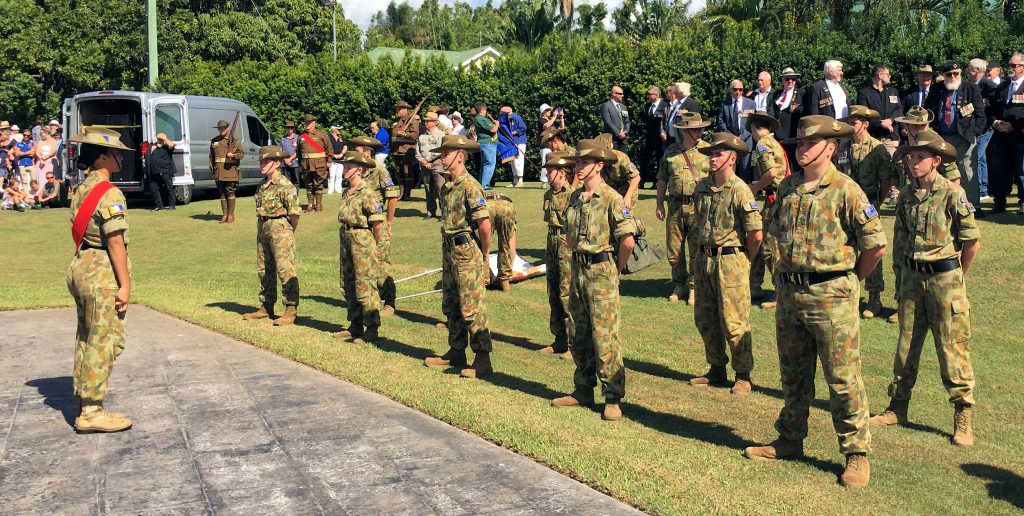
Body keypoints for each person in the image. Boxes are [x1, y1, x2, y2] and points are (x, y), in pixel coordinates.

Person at [743, 115, 887, 489]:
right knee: (793, 373)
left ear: (830, 147)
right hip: (790, 295)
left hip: (832, 296)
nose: (802, 149)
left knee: (842, 377)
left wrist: (852, 280)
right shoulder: (789, 186)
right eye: (801, 143)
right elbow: (774, 231)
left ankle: (856, 453)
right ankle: (790, 439)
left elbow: (874, 244)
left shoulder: (846, 189)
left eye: (810, 143)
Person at [869, 130, 980, 447]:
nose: (911, 162)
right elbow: (901, 241)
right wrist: (901, 279)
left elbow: (971, 241)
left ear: (936, 161)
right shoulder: (905, 195)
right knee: (905, 348)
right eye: (909, 156)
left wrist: (958, 277)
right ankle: (897, 407)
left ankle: (963, 416)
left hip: (945, 280)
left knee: (952, 350)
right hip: (912, 280)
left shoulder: (952, 194)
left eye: (918, 157)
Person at [550, 138, 636, 422]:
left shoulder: (612, 198)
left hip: (602, 272)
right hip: (578, 270)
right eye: (578, 162)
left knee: (605, 336)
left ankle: (612, 396)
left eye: (585, 162)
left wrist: (616, 270)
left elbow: (627, 240)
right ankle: (583, 388)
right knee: (578, 332)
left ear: (599, 166)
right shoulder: (574, 198)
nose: (579, 166)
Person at [66, 126, 135, 433]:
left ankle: (86, 399)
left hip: (81, 263)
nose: (120, 158)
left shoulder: (82, 188)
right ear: (102, 157)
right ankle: (92, 411)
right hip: (100, 270)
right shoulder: (109, 192)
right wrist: (125, 284)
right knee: (104, 339)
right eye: (116, 153)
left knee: (86, 335)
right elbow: (115, 241)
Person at [689, 132, 763, 393]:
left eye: (718, 154)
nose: (712, 158)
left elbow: (755, 233)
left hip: (730, 260)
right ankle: (716, 368)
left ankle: (743, 374)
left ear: (732, 158)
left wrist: (744, 260)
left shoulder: (741, 190)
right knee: (705, 317)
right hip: (704, 258)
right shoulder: (702, 187)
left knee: (734, 320)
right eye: (710, 153)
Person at [424, 135, 496, 379]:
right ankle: (456, 351)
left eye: (447, 153)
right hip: (449, 250)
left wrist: (485, 254)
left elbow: (484, 224)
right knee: (452, 303)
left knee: (471, 306)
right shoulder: (447, 187)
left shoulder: (470, 186)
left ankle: (483, 358)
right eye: (442, 153)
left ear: (460, 156)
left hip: (466, 251)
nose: (442, 157)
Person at [835, 106, 891, 319]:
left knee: (871, 248)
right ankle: (847, 292)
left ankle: (874, 298)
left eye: (854, 122)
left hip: (868, 206)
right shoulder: (843, 147)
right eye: (848, 122)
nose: (850, 126)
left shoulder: (876, 148)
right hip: (846, 207)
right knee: (846, 249)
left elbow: (885, 180)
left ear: (865, 124)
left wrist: (877, 204)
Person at [242, 145, 302, 326]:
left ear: (276, 163)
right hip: (263, 227)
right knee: (264, 269)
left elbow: (294, 213)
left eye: (266, 161)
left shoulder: (285, 185)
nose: (262, 164)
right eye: (261, 161)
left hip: (280, 227)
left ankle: (290, 309)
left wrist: (287, 232)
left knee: (285, 269)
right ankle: (266, 307)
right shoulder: (262, 184)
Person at [655, 112, 711, 305]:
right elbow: (662, 178)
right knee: (674, 249)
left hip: (698, 207)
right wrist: (659, 203)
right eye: (696, 128)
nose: (700, 131)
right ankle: (679, 283)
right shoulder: (671, 151)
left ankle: (695, 286)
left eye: (701, 128)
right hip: (675, 206)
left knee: (697, 248)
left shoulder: (708, 150)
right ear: (686, 130)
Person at [332, 151, 386, 344]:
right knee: (348, 281)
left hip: (362, 239)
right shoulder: (348, 192)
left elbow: (378, 224)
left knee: (365, 284)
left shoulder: (368, 193)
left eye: (349, 167)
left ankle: (372, 327)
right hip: (346, 237)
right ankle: (355, 324)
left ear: (359, 169)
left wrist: (377, 247)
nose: (345, 169)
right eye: (345, 166)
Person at [349, 136, 400, 315]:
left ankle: (390, 302)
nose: (355, 153)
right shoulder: (357, 171)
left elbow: (392, 196)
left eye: (359, 150)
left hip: (377, 222)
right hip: (362, 226)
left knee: (381, 262)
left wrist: (389, 222)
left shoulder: (380, 171)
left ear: (368, 152)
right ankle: (370, 299)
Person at [925, 61, 986, 206]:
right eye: (949, 74)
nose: (953, 76)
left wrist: (974, 132)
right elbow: (928, 111)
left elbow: (980, 114)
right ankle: (941, 204)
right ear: (943, 75)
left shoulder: (971, 88)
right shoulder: (936, 89)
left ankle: (972, 205)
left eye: (956, 73)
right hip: (941, 138)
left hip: (964, 136)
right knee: (939, 170)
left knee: (967, 172)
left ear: (960, 73)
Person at [537, 150, 577, 360]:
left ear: (562, 173)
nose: (548, 175)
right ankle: (559, 338)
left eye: (551, 171)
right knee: (552, 290)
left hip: (565, 242)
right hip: (551, 241)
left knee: (566, 292)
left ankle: (573, 343)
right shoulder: (548, 195)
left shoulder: (573, 196)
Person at [745, 112, 787, 310]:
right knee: (762, 241)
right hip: (777, 197)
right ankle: (755, 286)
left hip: (774, 199)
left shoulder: (762, 145)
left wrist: (755, 187)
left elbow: (770, 173)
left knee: (769, 246)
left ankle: (781, 292)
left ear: (754, 129)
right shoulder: (775, 143)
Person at [989, 51, 1024, 215]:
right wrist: (996, 123)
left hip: (1020, 137)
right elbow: (991, 110)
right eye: (1009, 64)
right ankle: (999, 202)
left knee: (1022, 171)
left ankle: (1023, 203)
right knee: (998, 170)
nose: (1010, 68)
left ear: (1023, 67)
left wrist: (1014, 126)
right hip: (1001, 137)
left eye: (1014, 65)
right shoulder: (1002, 87)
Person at [856, 64, 904, 156]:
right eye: (888, 74)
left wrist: (891, 120)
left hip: (891, 138)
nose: (890, 76)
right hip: (872, 138)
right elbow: (864, 115)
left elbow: (899, 109)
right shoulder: (864, 93)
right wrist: (880, 123)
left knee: (891, 166)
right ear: (880, 75)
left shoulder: (893, 91)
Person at [969, 58, 998, 201]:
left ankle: (982, 190)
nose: (969, 72)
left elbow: (994, 106)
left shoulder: (989, 85)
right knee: (979, 157)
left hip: (985, 127)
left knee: (979, 157)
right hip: (975, 126)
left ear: (979, 71)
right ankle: (982, 189)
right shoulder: (971, 85)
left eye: (971, 69)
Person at [717, 80, 756, 177]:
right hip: (730, 142)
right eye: (735, 89)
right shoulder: (725, 103)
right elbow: (721, 121)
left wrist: (741, 137)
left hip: (746, 142)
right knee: (730, 172)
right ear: (730, 90)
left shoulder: (751, 104)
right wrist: (731, 137)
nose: (738, 92)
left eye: (740, 90)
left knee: (745, 173)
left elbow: (752, 123)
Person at [209, 119, 244, 223]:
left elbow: (241, 154)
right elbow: (211, 156)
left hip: (230, 169)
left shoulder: (233, 140)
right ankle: (224, 214)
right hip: (219, 170)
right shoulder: (214, 140)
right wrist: (213, 169)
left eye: (224, 128)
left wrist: (233, 155)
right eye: (220, 128)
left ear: (227, 128)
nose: (222, 130)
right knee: (222, 193)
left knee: (230, 191)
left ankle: (230, 215)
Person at [297, 114, 330, 212]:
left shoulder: (321, 134)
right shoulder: (301, 136)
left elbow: (329, 148)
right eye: (305, 122)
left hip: (319, 164)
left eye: (309, 122)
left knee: (318, 184)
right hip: (306, 164)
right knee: (309, 185)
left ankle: (318, 204)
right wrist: (300, 164)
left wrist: (329, 160)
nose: (307, 124)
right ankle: (310, 204)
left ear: (314, 123)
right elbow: (298, 152)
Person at [484, 193, 517, 292]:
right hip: (507, 206)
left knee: (482, 244)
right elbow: (511, 245)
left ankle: (485, 278)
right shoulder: (508, 203)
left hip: (487, 206)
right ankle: (504, 281)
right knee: (506, 242)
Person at [416, 111, 446, 218]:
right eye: (425, 121)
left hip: (437, 163)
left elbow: (439, 150)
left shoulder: (441, 135)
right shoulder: (421, 136)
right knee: (428, 188)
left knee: (440, 187)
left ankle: (444, 213)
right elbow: (417, 151)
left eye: (428, 121)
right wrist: (422, 161)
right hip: (424, 165)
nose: (426, 123)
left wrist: (428, 160)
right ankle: (430, 211)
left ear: (435, 122)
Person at [640, 86, 669, 190]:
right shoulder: (647, 106)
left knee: (659, 160)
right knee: (644, 159)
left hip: (660, 138)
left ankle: (658, 183)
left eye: (650, 94)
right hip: (648, 138)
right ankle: (642, 181)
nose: (648, 96)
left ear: (657, 95)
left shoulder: (665, 105)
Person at [390, 100, 420, 200]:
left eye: (399, 109)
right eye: (397, 109)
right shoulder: (396, 121)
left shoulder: (411, 120)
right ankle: (401, 193)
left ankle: (407, 194)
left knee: (408, 172)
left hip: (406, 150)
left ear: (405, 109)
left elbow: (416, 135)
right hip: (396, 150)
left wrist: (405, 134)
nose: (398, 111)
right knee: (399, 173)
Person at [498, 105, 528, 187]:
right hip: (512, 143)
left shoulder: (516, 118)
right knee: (513, 160)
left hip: (519, 141)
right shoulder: (505, 120)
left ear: (507, 113)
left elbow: (524, 128)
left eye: (503, 114)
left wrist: (515, 132)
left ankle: (520, 180)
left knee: (519, 160)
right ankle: (515, 180)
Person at [663, 82, 702, 146]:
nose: (674, 92)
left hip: (683, 140)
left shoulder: (691, 104)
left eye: (676, 90)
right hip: (672, 139)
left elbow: (694, 125)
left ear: (681, 92)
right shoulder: (677, 103)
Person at [147, 132, 177, 211]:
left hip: (165, 171)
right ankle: (159, 206)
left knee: (169, 188)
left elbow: (171, 145)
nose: (159, 140)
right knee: (154, 188)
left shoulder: (167, 147)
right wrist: (153, 148)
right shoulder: (153, 146)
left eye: (161, 139)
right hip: (154, 171)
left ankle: (172, 206)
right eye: (158, 138)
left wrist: (165, 139)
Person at [473, 102, 500, 189]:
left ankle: (483, 184)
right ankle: (485, 185)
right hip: (488, 144)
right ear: (482, 110)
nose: (486, 112)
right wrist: (497, 124)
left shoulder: (481, 119)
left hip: (488, 144)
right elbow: (493, 129)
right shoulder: (480, 119)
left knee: (485, 164)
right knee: (490, 163)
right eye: (485, 110)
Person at [600, 86, 631, 152]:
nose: (622, 95)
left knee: (623, 161)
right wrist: (618, 133)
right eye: (620, 94)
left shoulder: (623, 107)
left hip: (623, 140)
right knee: (612, 160)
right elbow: (608, 122)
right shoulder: (606, 106)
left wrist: (625, 132)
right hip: (612, 140)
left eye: (622, 94)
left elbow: (627, 121)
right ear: (614, 94)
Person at [327, 124, 346, 195]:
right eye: (338, 129)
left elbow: (345, 147)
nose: (340, 130)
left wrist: (341, 154)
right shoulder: (328, 137)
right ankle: (330, 190)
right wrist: (333, 155)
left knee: (339, 175)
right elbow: (327, 148)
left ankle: (338, 189)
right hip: (332, 159)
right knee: (331, 175)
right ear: (334, 129)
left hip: (341, 160)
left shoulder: (341, 137)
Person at [280, 120, 300, 185]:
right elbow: (281, 150)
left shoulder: (298, 137)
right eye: (288, 127)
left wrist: (290, 159)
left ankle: (295, 194)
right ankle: (288, 195)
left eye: (291, 127)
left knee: (296, 181)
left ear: (294, 128)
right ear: (285, 128)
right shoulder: (283, 138)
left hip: (295, 163)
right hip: (284, 164)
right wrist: (285, 160)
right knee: (287, 181)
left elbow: (299, 151)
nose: (290, 129)